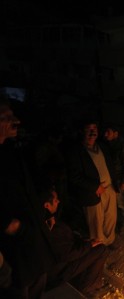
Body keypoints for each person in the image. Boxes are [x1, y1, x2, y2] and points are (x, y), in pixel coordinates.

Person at [0, 98, 56, 299]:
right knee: (19, 289)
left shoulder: (11, 151)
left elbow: (27, 186)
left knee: (38, 281)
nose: (16, 121)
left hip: (32, 237)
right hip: (12, 247)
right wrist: (11, 225)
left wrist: (44, 210)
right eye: (6, 117)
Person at [40, 186, 107, 297]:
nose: (58, 201)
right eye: (55, 200)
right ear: (47, 205)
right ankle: (86, 288)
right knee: (101, 249)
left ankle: (87, 281)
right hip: (60, 271)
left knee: (96, 246)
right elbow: (67, 254)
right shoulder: (48, 227)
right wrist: (88, 245)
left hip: (65, 261)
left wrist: (84, 241)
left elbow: (68, 239)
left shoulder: (49, 219)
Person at [66, 119, 119, 246]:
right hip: (92, 193)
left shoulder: (102, 147)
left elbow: (110, 165)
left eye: (94, 129)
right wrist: (95, 186)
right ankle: (99, 248)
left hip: (109, 188)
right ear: (81, 131)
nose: (92, 132)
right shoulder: (76, 151)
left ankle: (109, 241)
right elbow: (73, 175)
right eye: (88, 129)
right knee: (96, 223)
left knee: (111, 218)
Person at [103, 124, 124, 231]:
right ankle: (120, 221)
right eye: (105, 132)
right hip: (113, 178)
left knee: (122, 201)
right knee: (116, 202)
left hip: (120, 178)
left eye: (108, 132)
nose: (105, 135)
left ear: (116, 133)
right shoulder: (108, 145)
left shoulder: (123, 145)